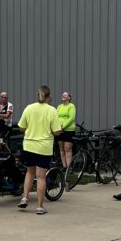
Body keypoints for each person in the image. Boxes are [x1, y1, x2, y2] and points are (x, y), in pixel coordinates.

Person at [17, 85, 62, 215]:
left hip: (29, 146)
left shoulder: (29, 108)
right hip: (43, 147)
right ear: (48, 96)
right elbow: (57, 131)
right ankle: (40, 207)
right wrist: (61, 128)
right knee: (41, 176)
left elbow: (21, 127)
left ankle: (25, 198)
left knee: (29, 172)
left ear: (38, 95)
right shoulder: (52, 110)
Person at [56, 91, 76, 169]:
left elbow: (71, 118)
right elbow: (56, 116)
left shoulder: (71, 106)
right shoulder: (59, 106)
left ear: (69, 98)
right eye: (62, 94)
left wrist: (63, 126)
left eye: (65, 95)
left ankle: (69, 167)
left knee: (67, 148)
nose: (63, 96)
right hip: (59, 130)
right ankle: (64, 166)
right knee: (61, 148)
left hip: (68, 130)